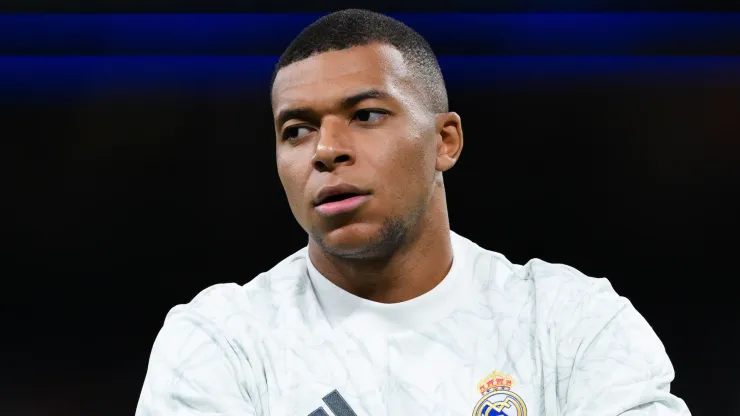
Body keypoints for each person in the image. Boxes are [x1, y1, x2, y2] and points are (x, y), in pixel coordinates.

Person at [136, 9, 691, 416]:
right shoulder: (221, 342)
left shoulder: (573, 324)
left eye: (367, 115)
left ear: (444, 141)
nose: (326, 149)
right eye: (297, 130)